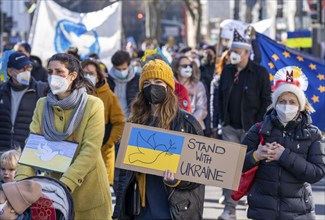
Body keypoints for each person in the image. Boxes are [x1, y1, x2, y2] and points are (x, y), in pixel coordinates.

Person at [15, 53, 112, 219]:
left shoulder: (93, 105)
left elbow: (90, 150)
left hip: (89, 194)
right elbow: (32, 147)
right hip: (55, 198)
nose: (54, 76)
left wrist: (62, 186)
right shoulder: (42, 104)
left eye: (59, 72)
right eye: (50, 71)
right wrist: (20, 185)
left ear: (73, 76)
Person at [113, 59, 205, 220]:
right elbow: (121, 172)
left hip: (174, 206)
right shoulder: (135, 123)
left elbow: (200, 172)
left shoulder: (187, 123)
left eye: (157, 81)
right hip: (141, 206)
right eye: (147, 83)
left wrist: (177, 180)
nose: (152, 87)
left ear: (168, 87)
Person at [242, 66, 325, 219]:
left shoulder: (312, 134)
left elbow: (317, 173)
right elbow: (234, 163)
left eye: (292, 102)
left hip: (299, 213)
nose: (287, 106)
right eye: (282, 101)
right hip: (263, 211)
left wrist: (284, 155)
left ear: (300, 105)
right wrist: (256, 155)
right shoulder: (259, 129)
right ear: (275, 103)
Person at [217, 29, 272, 220]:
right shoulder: (227, 71)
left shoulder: (260, 73)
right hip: (229, 127)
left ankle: (253, 206)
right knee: (228, 168)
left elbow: (266, 101)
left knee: (250, 168)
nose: (233, 54)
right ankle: (229, 208)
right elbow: (219, 97)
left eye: (237, 51)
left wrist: (260, 125)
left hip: (253, 130)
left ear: (246, 53)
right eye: (232, 50)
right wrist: (219, 122)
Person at [82, 58, 125, 186]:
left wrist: (109, 142)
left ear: (98, 76)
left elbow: (120, 122)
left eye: (91, 73)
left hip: (102, 153)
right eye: (84, 72)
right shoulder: (74, 94)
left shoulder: (109, 95)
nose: (87, 76)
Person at [0, 52, 48, 151]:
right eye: (21, 68)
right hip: (3, 150)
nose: (26, 72)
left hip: (27, 151)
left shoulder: (41, 89)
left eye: (28, 67)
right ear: (10, 71)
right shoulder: (2, 90)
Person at [172, 55, 207, 131]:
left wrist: (189, 122)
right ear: (177, 69)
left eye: (190, 66)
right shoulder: (170, 84)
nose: (188, 68)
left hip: (194, 127)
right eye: (184, 66)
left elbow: (201, 108)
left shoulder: (198, 85)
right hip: (173, 126)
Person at [107, 50, 139, 118]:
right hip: (112, 121)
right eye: (118, 69)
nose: (121, 72)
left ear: (129, 65)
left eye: (124, 69)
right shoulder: (107, 80)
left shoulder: (137, 80)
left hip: (130, 120)